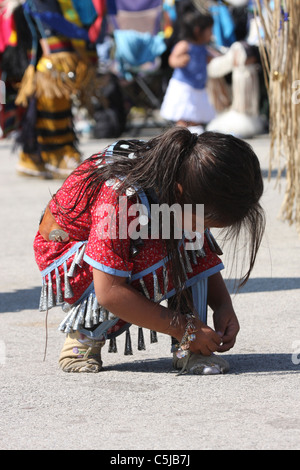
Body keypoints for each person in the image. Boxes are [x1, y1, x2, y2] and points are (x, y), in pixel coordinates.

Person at [34, 127, 265, 375]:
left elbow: (198, 251)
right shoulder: (121, 195)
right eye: (204, 222)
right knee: (170, 243)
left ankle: (189, 346)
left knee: (183, 236)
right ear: (179, 192)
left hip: (128, 236)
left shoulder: (181, 173)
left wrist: (222, 305)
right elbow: (109, 291)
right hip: (71, 256)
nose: (202, 231)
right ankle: (84, 336)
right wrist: (184, 327)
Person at [160, 8, 216, 134]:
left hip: (198, 86)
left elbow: (211, 57)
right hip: (184, 86)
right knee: (183, 115)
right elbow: (172, 59)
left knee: (196, 114)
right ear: (197, 31)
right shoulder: (185, 45)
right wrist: (179, 60)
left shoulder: (203, 47)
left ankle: (196, 133)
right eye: (209, 30)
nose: (211, 34)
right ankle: (181, 135)